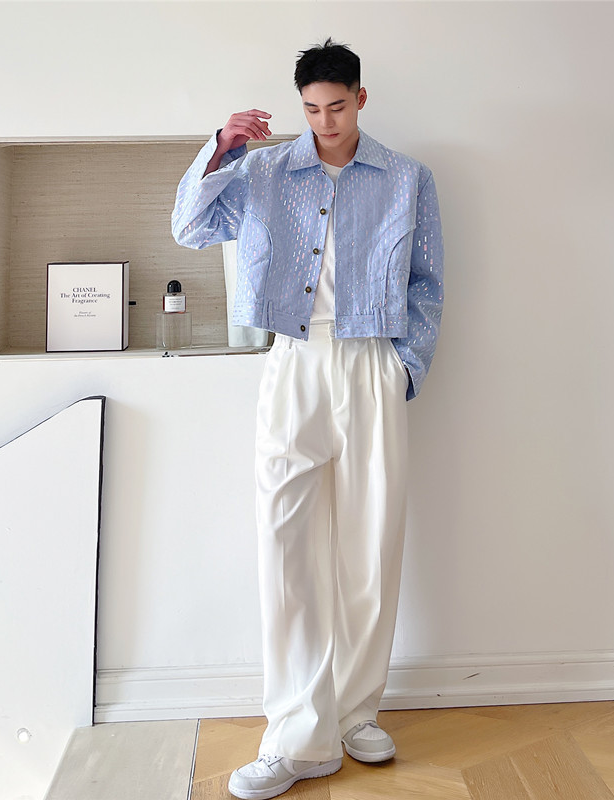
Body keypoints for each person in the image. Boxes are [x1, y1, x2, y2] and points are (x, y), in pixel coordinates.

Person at [172, 38, 444, 800]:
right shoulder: (263, 172)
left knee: (370, 545)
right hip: (294, 362)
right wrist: (220, 148)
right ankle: (297, 734)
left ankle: (356, 713)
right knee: (285, 546)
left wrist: (405, 368)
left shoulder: (406, 178)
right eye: (312, 109)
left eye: (337, 106)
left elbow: (427, 283)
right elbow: (191, 228)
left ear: (361, 98)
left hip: (372, 361)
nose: (325, 121)